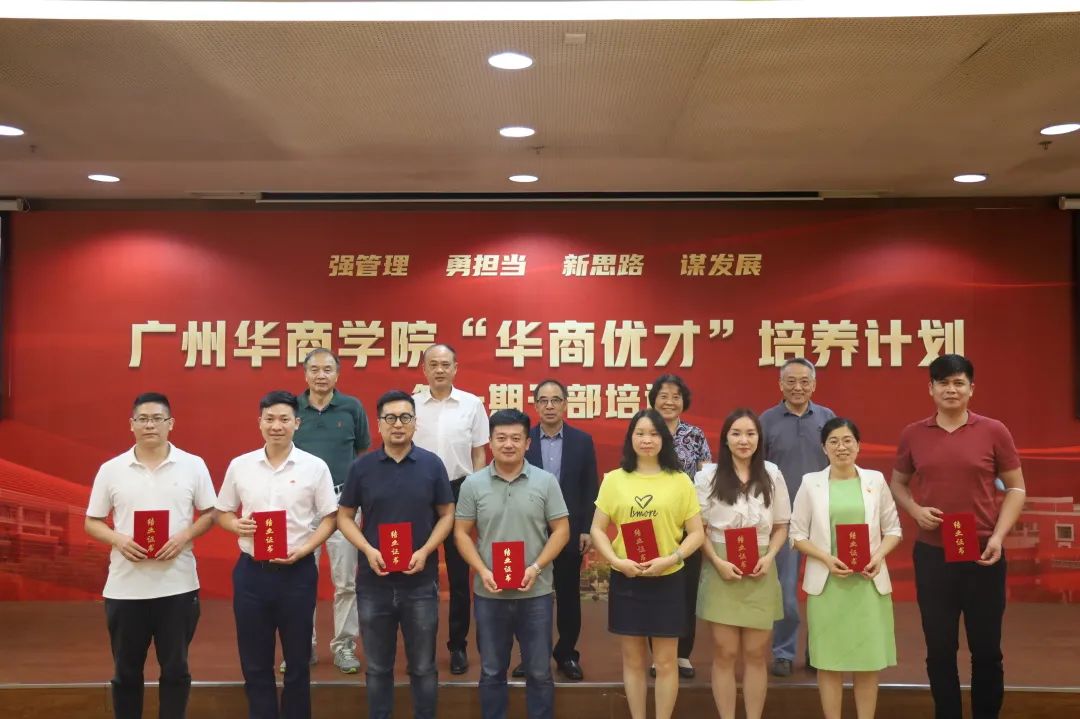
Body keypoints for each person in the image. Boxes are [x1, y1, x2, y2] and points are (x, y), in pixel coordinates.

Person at [891, 354, 1025, 719]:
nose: (951, 389)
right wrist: (915, 510)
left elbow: (1016, 488)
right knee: (939, 648)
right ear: (931, 389)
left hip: (984, 553)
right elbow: (898, 483)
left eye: (958, 383)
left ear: (971, 389)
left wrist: (998, 536)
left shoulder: (994, 431)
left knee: (987, 650)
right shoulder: (913, 434)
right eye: (943, 383)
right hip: (933, 555)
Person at [85, 392, 217, 719]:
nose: (150, 425)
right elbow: (92, 521)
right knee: (126, 671)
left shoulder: (193, 465)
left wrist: (183, 537)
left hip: (178, 586)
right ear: (131, 425)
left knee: (176, 669)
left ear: (171, 424)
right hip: (125, 589)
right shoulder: (112, 469)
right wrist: (118, 540)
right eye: (142, 419)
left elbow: (211, 513)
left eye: (157, 419)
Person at [216, 390, 338, 719]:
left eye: (284, 419)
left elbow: (331, 517)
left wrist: (307, 549)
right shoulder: (240, 465)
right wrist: (235, 525)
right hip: (251, 574)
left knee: (297, 661)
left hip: (297, 573)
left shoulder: (315, 467)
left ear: (297, 423)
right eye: (269, 419)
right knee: (255, 662)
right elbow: (221, 511)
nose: (276, 426)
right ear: (259, 422)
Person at [336, 390, 455, 719]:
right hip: (374, 583)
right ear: (379, 424)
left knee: (423, 666)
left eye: (405, 417)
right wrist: (367, 549)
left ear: (415, 423)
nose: (398, 424)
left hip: (420, 583)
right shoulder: (362, 467)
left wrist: (427, 550)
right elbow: (344, 517)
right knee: (377, 667)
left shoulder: (432, 465)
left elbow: (447, 513)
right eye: (390, 418)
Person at [453, 409, 570, 719]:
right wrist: (482, 570)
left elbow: (562, 530)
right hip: (489, 594)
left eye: (516, 438)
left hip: (536, 593)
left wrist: (536, 567)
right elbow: (461, 533)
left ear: (528, 443)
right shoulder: (473, 484)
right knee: (492, 670)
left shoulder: (545, 482)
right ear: (490, 442)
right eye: (501, 438)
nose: (508, 444)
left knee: (539, 671)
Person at [591, 409, 704, 719]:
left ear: (663, 439)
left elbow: (697, 533)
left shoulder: (680, 481)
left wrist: (672, 558)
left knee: (666, 661)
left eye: (654, 434)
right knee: (633, 660)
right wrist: (616, 561)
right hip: (627, 578)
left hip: (668, 579)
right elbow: (597, 529)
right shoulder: (614, 480)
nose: (647, 440)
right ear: (631, 438)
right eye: (640, 433)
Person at [791, 417, 901, 719]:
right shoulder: (810, 483)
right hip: (828, 587)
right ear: (824, 448)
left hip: (868, 585)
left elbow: (893, 529)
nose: (841, 447)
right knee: (829, 663)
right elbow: (796, 534)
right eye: (834, 442)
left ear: (858, 445)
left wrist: (878, 556)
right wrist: (826, 559)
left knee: (868, 663)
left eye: (847, 440)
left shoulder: (875, 481)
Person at [695, 409, 789, 719]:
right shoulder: (707, 476)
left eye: (750, 434)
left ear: (759, 438)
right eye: (736, 433)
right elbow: (698, 529)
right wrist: (717, 562)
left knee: (755, 653)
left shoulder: (772, 474)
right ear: (725, 439)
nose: (743, 440)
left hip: (761, 565)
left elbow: (781, 526)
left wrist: (769, 556)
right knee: (725, 652)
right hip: (721, 566)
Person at [509, 379, 598, 681]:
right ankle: (531, 655)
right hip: (529, 530)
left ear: (565, 404)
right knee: (529, 595)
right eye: (543, 401)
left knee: (569, 594)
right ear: (535, 405)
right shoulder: (523, 440)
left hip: (568, 530)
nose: (549, 406)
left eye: (555, 400)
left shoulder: (582, 441)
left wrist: (586, 528)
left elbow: (590, 487)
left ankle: (567, 654)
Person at [293, 347, 372, 674]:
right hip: (302, 507)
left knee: (346, 581)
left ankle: (344, 646)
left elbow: (362, 451)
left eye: (328, 369)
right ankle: (303, 645)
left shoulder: (352, 407)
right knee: (301, 580)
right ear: (305, 374)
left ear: (337, 375)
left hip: (342, 505)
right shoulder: (292, 408)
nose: (321, 375)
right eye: (315, 369)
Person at [412, 343, 489, 675]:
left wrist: (477, 493)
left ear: (456, 368)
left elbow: (480, 454)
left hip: (460, 489)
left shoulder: (472, 405)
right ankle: (421, 647)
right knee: (420, 573)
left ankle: (457, 645)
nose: (440, 369)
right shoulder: (412, 405)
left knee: (459, 576)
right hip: (419, 492)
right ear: (424, 369)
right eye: (433, 364)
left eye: (446, 364)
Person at [759, 357, 836, 676]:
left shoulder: (828, 418)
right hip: (783, 521)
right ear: (780, 384)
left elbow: (840, 464)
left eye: (805, 381)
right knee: (786, 592)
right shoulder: (766, 421)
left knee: (823, 590)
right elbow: (758, 471)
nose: (798, 387)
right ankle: (783, 652)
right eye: (791, 381)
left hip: (822, 518)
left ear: (814, 385)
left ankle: (819, 650)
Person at [649, 374, 711, 678]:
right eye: (663, 396)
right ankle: (657, 655)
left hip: (688, 522)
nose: (669, 402)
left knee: (686, 588)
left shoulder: (695, 435)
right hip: (650, 519)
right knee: (654, 588)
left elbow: (705, 478)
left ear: (684, 401)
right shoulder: (645, 430)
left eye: (676, 396)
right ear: (653, 400)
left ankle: (683, 654)